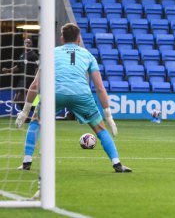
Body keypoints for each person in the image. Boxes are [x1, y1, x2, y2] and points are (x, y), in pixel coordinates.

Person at [15, 23, 132, 173]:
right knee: (100, 128)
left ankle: (26, 162)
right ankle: (117, 164)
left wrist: (25, 112)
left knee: (36, 121)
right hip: (81, 94)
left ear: (62, 38)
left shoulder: (52, 53)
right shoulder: (88, 55)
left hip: (55, 93)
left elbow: (35, 84)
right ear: (78, 39)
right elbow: (100, 88)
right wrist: (109, 116)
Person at [1, 38, 39, 107]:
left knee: (20, 98)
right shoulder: (22, 55)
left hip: (29, 79)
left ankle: (27, 114)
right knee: (16, 99)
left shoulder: (34, 55)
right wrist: (8, 70)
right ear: (24, 44)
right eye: (25, 43)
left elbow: (37, 67)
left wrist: (35, 79)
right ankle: (30, 113)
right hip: (22, 80)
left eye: (29, 43)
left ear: (31, 44)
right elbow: (18, 67)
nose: (27, 44)